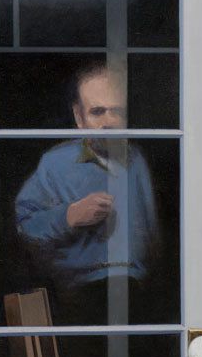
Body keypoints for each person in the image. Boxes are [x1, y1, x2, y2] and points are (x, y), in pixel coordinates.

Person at [14, 63, 161, 323]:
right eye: (97, 112)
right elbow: (25, 226)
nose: (108, 122)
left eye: (117, 112)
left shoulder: (137, 160)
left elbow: (153, 237)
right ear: (79, 117)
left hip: (138, 292)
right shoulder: (55, 163)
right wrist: (69, 216)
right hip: (81, 294)